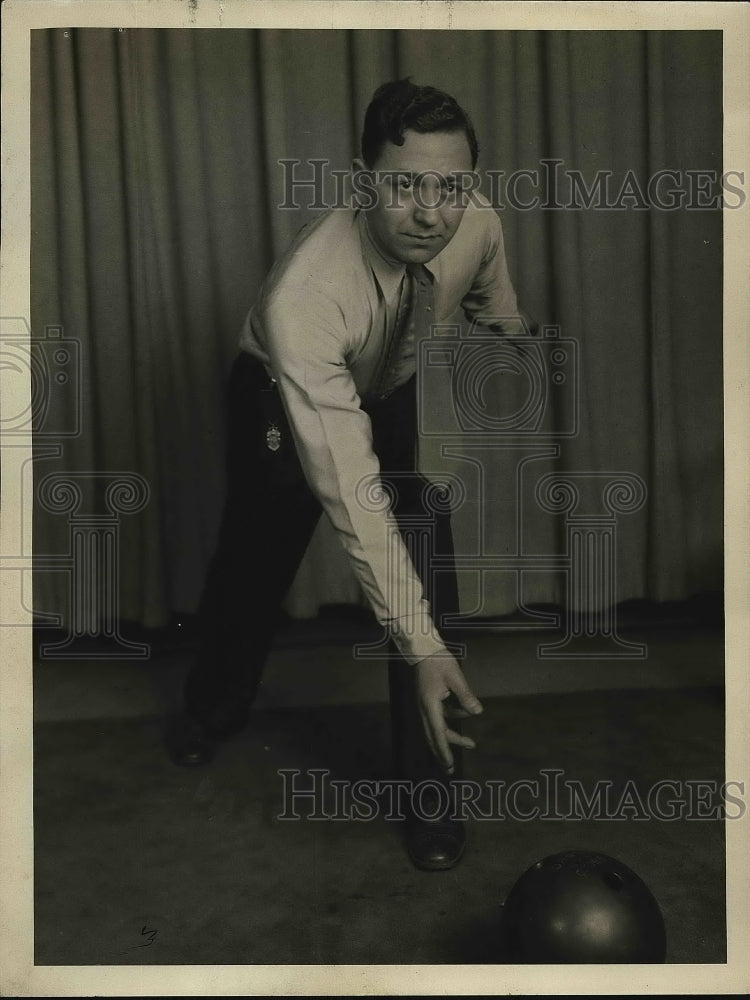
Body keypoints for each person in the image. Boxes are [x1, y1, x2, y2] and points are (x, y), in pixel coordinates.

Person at [167, 78, 529, 872]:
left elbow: (490, 285)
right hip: (280, 389)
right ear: (363, 179)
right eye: (404, 185)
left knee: (424, 555)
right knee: (257, 563)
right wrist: (421, 643)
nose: (431, 212)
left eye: (452, 186)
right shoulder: (305, 297)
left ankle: (432, 795)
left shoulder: (474, 223)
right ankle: (212, 710)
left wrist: (512, 331)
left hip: (383, 381)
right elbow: (356, 502)